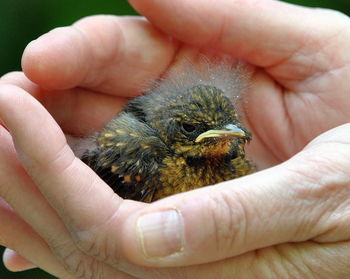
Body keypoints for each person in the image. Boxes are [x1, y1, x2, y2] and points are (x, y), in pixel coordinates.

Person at [1, 0, 350, 278]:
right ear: (172, 130)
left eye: (230, 128)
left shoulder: (233, 163)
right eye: (189, 129)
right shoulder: (143, 152)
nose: (226, 137)